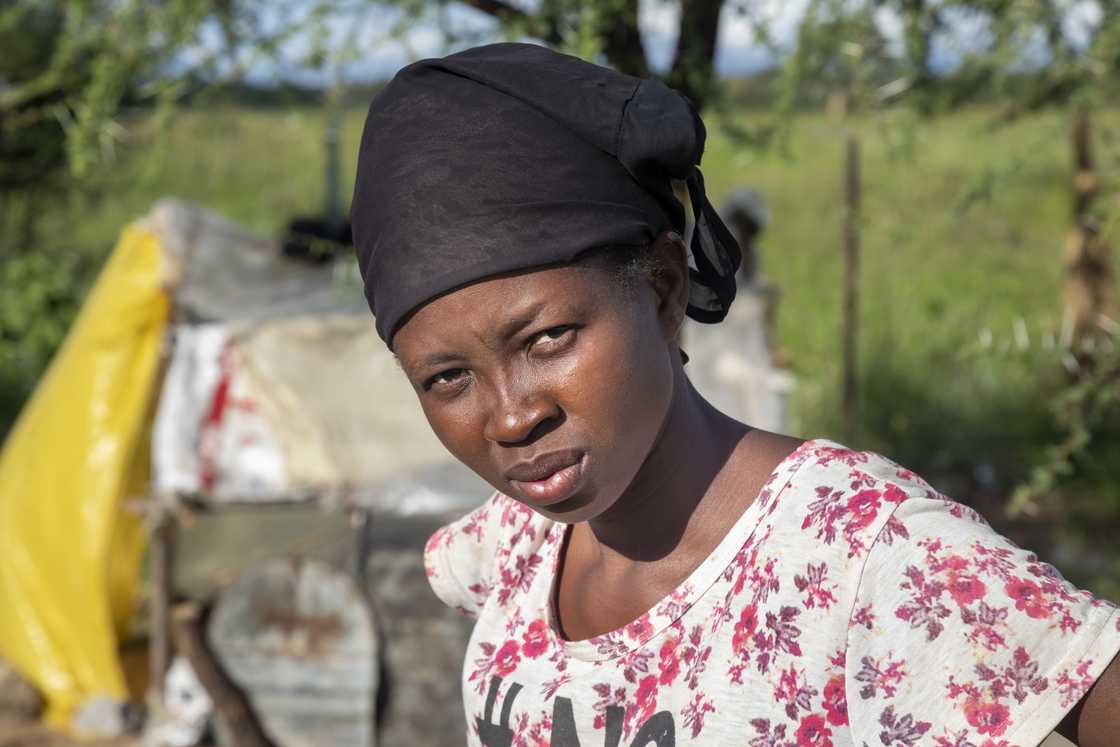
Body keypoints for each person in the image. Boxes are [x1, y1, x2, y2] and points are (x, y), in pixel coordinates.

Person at [350, 42, 1120, 747]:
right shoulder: (519, 540)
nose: (514, 414)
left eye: (548, 338)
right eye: (447, 377)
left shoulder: (863, 557)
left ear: (660, 288)